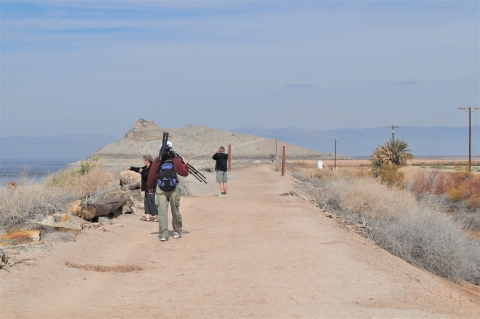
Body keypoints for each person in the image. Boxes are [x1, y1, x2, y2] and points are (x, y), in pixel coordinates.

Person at [147, 141, 189, 242]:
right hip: (174, 187)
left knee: (162, 212)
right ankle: (177, 231)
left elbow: (152, 175)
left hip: (161, 188)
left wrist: (150, 188)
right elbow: (185, 173)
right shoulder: (175, 160)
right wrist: (185, 163)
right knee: (175, 210)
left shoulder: (157, 160)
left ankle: (163, 234)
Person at [126, 154, 158, 222]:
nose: (143, 161)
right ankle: (147, 216)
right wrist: (131, 168)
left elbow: (148, 175)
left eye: (144, 160)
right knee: (146, 201)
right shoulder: (146, 167)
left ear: (148, 160)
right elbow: (139, 169)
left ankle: (157, 215)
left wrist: (142, 172)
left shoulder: (152, 167)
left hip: (151, 187)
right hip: (146, 187)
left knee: (151, 201)